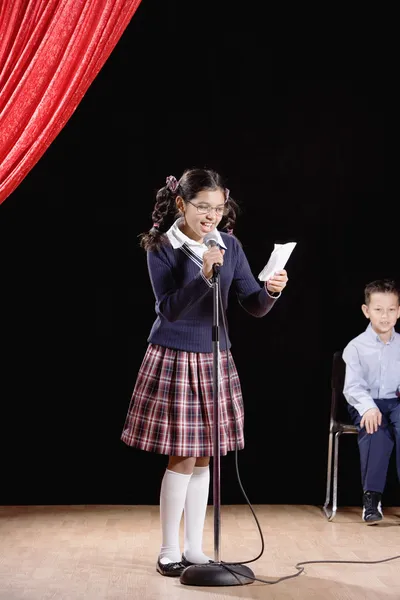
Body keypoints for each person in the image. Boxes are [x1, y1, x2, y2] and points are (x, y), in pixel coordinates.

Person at [121, 168, 288, 576]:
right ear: (182, 204)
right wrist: (203, 276)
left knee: (205, 461)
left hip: (216, 357)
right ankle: (168, 550)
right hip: (176, 355)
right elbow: (169, 308)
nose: (211, 216)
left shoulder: (228, 243)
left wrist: (271, 290)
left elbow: (251, 302)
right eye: (202, 208)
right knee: (183, 456)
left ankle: (195, 548)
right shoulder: (162, 246)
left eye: (218, 208)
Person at [343, 279, 400, 524]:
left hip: (396, 402)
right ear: (367, 311)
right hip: (366, 403)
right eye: (378, 309)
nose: (385, 316)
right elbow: (353, 386)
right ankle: (372, 498)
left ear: (399, 311)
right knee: (375, 429)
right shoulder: (356, 347)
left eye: (391, 309)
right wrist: (368, 407)